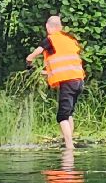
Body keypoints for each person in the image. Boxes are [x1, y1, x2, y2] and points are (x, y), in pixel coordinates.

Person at [26, 15, 85, 151]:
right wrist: (40, 72)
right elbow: (62, 66)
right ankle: (69, 141)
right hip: (78, 81)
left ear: (48, 26)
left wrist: (29, 60)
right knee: (69, 113)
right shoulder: (70, 40)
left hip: (68, 82)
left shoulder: (51, 39)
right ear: (61, 27)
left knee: (62, 116)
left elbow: (36, 53)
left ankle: (69, 147)